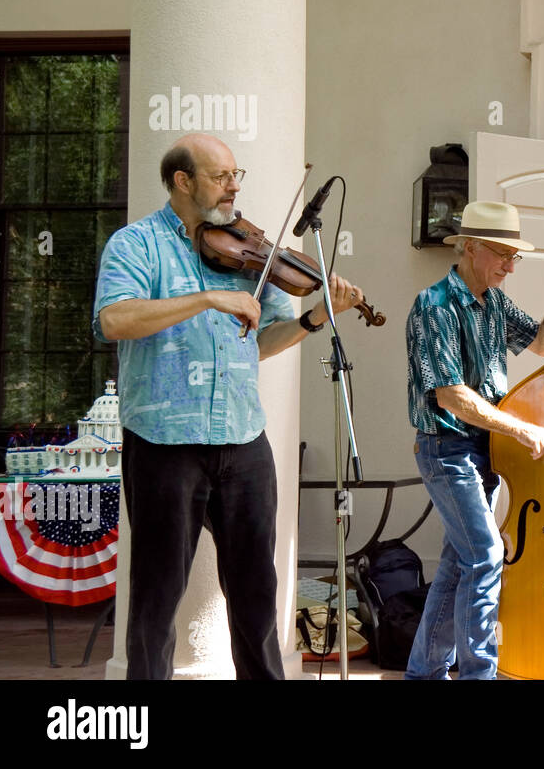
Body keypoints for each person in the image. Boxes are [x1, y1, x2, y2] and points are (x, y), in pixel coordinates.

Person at [93, 132, 366, 680]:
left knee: (257, 597)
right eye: (221, 176)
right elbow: (115, 319)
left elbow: (262, 340)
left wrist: (316, 318)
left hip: (243, 442)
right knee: (156, 598)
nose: (234, 185)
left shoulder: (249, 253)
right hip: (164, 445)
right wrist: (208, 297)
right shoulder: (135, 244)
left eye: (237, 175)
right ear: (182, 181)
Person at [404, 200, 544, 680]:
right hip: (447, 449)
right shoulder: (434, 303)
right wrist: (523, 428)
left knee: (459, 566)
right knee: (485, 557)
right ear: (469, 247)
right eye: (501, 253)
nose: (509, 264)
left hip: (483, 451)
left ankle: (423, 673)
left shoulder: (495, 303)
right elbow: (452, 397)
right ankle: (479, 673)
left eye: (514, 256)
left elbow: (542, 344)